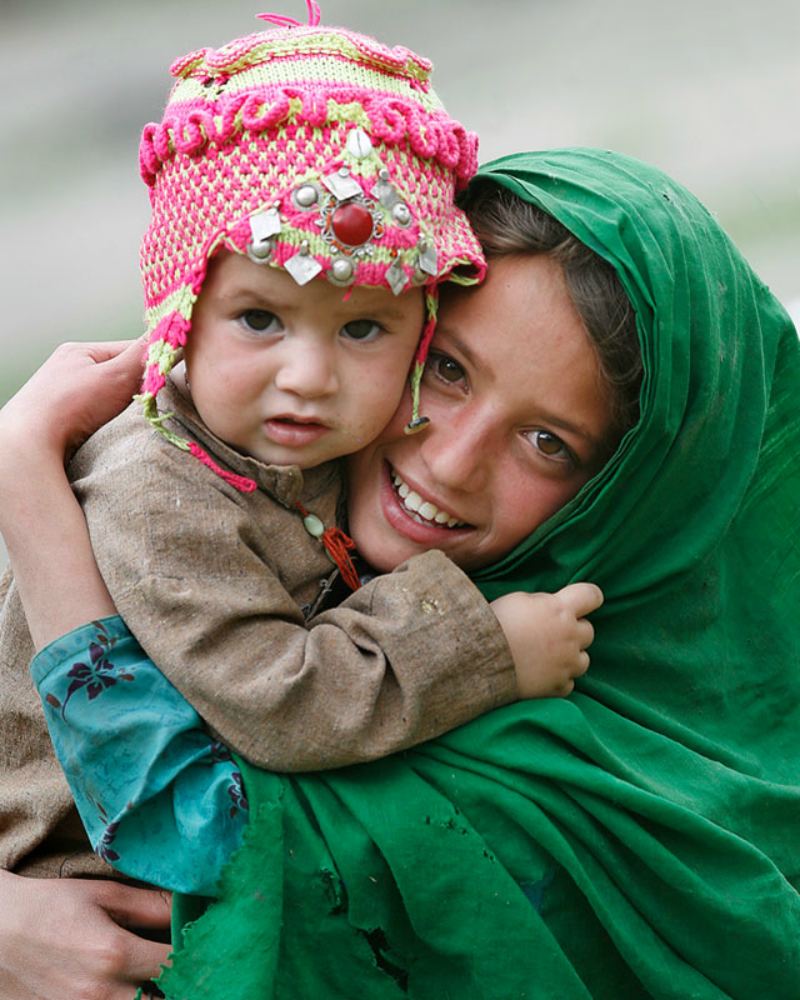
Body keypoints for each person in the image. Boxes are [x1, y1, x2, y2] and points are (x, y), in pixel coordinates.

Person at [5, 146, 799, 996]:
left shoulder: (548, 726)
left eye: (549, 443)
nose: (452, 464)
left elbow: (193, 834)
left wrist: (25, 482)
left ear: (636, 493)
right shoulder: (235, 503)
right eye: (448, 369)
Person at [0, 7, 603, 913]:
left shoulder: (286, 450)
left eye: (363, 329)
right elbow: (278, 702)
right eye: (259, 319)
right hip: (88, 877)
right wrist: (482, 647)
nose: (308, 378)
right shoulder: (155, 488)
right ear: (181, 308)